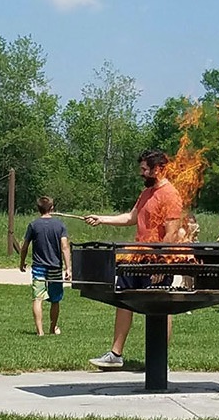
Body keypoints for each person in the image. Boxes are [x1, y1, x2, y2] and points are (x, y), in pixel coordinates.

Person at [85, 149, 182, 368]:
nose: (141, 173)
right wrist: (101, 219)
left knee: (160, 308)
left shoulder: (170, 195)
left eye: (144, 169)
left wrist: (161, 264)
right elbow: (131, 218)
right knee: (124, 300)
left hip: (156, 262)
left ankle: (159, 359)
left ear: (158, 168)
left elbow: (171, 233)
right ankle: (115, 355)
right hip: (137, 258)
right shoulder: (146, 193)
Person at [19, 196, 71, 336]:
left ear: (38, 209)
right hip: (55, 266)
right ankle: (52, 328)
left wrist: (22, 261)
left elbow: (24, 247)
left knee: (37, 298)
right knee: (55, 299)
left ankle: (39, 331)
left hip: (39, 267)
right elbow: (65, 247)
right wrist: (68, 267)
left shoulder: (33, 225)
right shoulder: (60, 225)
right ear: (52, 208)